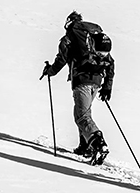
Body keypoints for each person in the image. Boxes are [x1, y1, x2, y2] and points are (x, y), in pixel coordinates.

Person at [42, 12, 114, 165]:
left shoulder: (69, 38)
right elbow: (110, 62)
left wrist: (50, 71)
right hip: (97, 80)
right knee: (82, 113)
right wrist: (107, 87)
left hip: (82, 80)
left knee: (82, 116)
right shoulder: (93, 36)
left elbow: (61, 59)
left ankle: (98, 143)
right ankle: (85, 146)